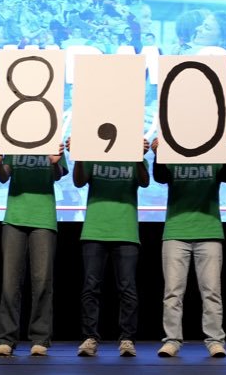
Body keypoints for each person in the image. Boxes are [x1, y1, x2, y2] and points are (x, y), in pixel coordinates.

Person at [154, 138, 226, 357]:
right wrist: (157, 153)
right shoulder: (173, 150)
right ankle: (172, 340)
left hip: (209, 231)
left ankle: (215, 341)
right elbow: (160, 177)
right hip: (176, 231)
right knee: (172, 293)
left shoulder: (214, 151)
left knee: (212, 292)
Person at [73, 139, 151, 357]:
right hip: (94, 230)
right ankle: (89, 338)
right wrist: (78, 155)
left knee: (128, 288)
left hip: (126, 231)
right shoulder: (93, 153)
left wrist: (138, 157)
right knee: (90, 287)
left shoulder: (134, 154)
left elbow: (145, 182)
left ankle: (127, 339)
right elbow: (79, 181)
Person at [0, 147, 68, 357]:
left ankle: (40, 338)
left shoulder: (53, 142)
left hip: (43, 219)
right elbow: (3, 177)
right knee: (10, 283)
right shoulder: (14, 142)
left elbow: (57, 176)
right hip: (14, 219)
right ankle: (6, 338)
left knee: (42, 282)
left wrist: (54, 162)